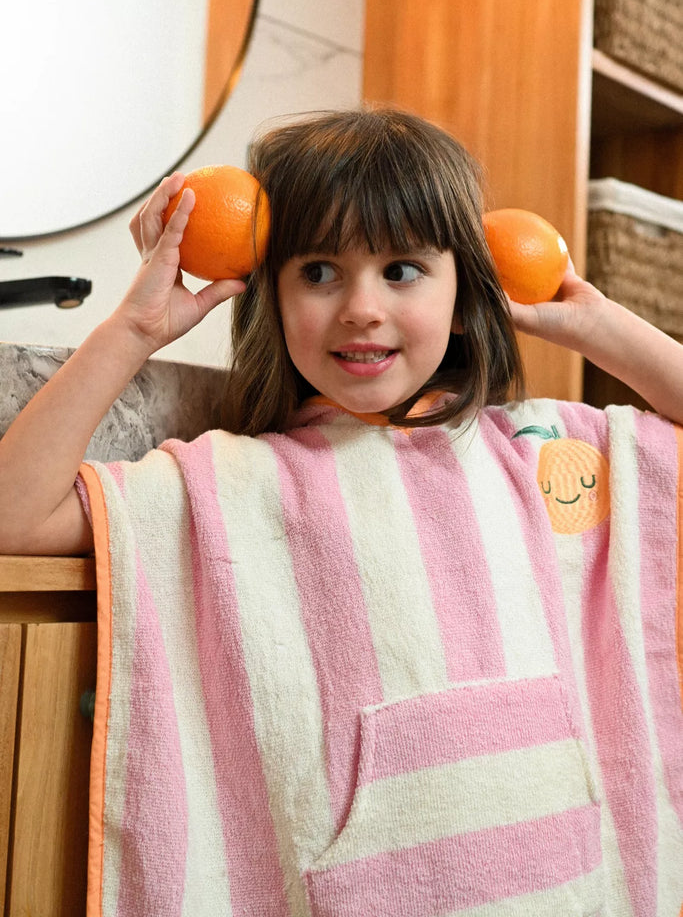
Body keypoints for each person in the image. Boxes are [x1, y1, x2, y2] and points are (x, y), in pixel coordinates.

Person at [0, 108, 681, 916]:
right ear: (270, 294)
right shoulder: (234, 483)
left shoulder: (540, 452)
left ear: (467, 291)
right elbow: (14, 516)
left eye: (401, 270)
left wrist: (591, 322)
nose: (361, 307)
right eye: (319, 271)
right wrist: (136, 327)